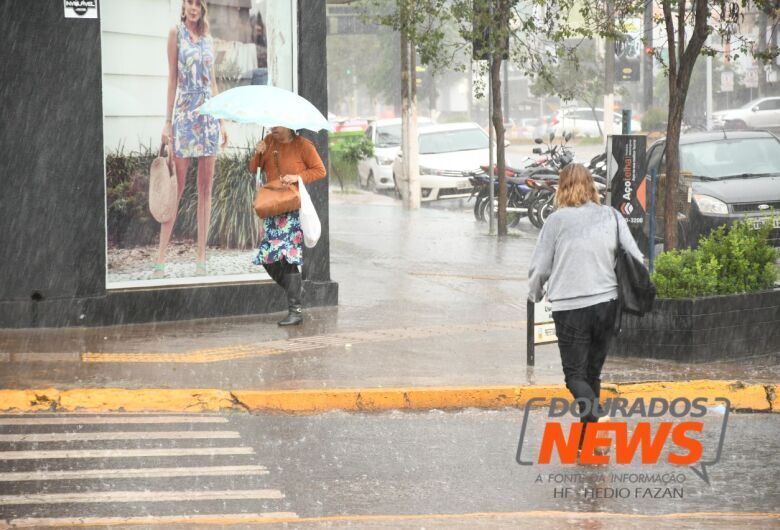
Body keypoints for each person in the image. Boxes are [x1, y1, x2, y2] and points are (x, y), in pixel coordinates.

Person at [527, 163, 645, 454]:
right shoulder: (611, 216)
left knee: (574, 376)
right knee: (592, 372)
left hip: (571, 308)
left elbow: (540, 267)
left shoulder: (556, 221)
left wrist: (534, 292)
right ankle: (589, 443)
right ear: (592, 186)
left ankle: (595, 410)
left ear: (562, 187)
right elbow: (636, 257)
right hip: (607, 305)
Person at [157, 0, 228, 278]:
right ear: (184, 5)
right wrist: (167, 122)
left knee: (206, 190)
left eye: (199, 2)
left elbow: (212, 82)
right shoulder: (176, 33)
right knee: (177, 188)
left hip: (208, 117)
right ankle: (161, 257)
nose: (194, 7)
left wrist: (221, 121)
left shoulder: (209, 39)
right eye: (190, 1)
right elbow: (172, 80)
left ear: (203, 7)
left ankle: (201, 257)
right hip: (185, 117)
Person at [249, 127, 326, 326]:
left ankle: (295, 311)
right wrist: (258, 153)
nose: (274, 128)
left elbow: (319, 170)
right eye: (272, 125)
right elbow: (253, 169)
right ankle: (296, 292)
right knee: (268, 258)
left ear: (289, 126)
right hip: (273, 208)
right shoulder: (268, 142)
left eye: (278, 125)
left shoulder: (303, 145)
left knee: (289, 259)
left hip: (292, 208)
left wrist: (297, 177)